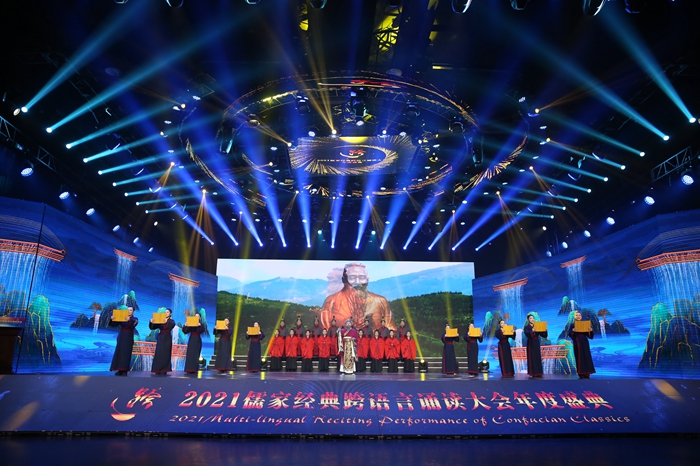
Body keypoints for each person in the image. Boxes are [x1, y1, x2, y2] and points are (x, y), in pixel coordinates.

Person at [109, 306, 138, 376]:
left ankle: (124, 370)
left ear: (133, 312)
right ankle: (119, 369)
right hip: (121, 336)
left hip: (128, 337)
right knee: (119, 352)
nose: (129, 311)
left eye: (130, 310)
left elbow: (133, 325)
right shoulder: (122, 317)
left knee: (126, 353)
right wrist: (112, 319)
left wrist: (129, 320)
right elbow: (114, 325)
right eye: (128, 310)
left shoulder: (134, 319)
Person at [569, 311, 596, 378]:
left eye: (579, 315)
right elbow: (570, 335)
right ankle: (581, 373)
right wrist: (573, 331)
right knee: (579, 357)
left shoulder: (585, 324)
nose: (578, 316)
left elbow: (590, 336)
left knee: (586, 357)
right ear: (575, 317)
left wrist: (591, 331)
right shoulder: (572, 325)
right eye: (577, 315)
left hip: (584, 342)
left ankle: (587, 373)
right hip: (577, 342)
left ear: (581, 316)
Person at [149, 308, 175, 375]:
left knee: (166, 354)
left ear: (170, 314)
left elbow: (171, 326)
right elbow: (153, 327)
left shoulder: (171, 321)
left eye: (167, 312)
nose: (166, 313)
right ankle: (157, 369)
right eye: (165, 312)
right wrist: (152, 322)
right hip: (160, 338)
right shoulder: (160, 320)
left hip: (167, 338)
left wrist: (166, 321)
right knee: (159, 353)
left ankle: (164, 369)